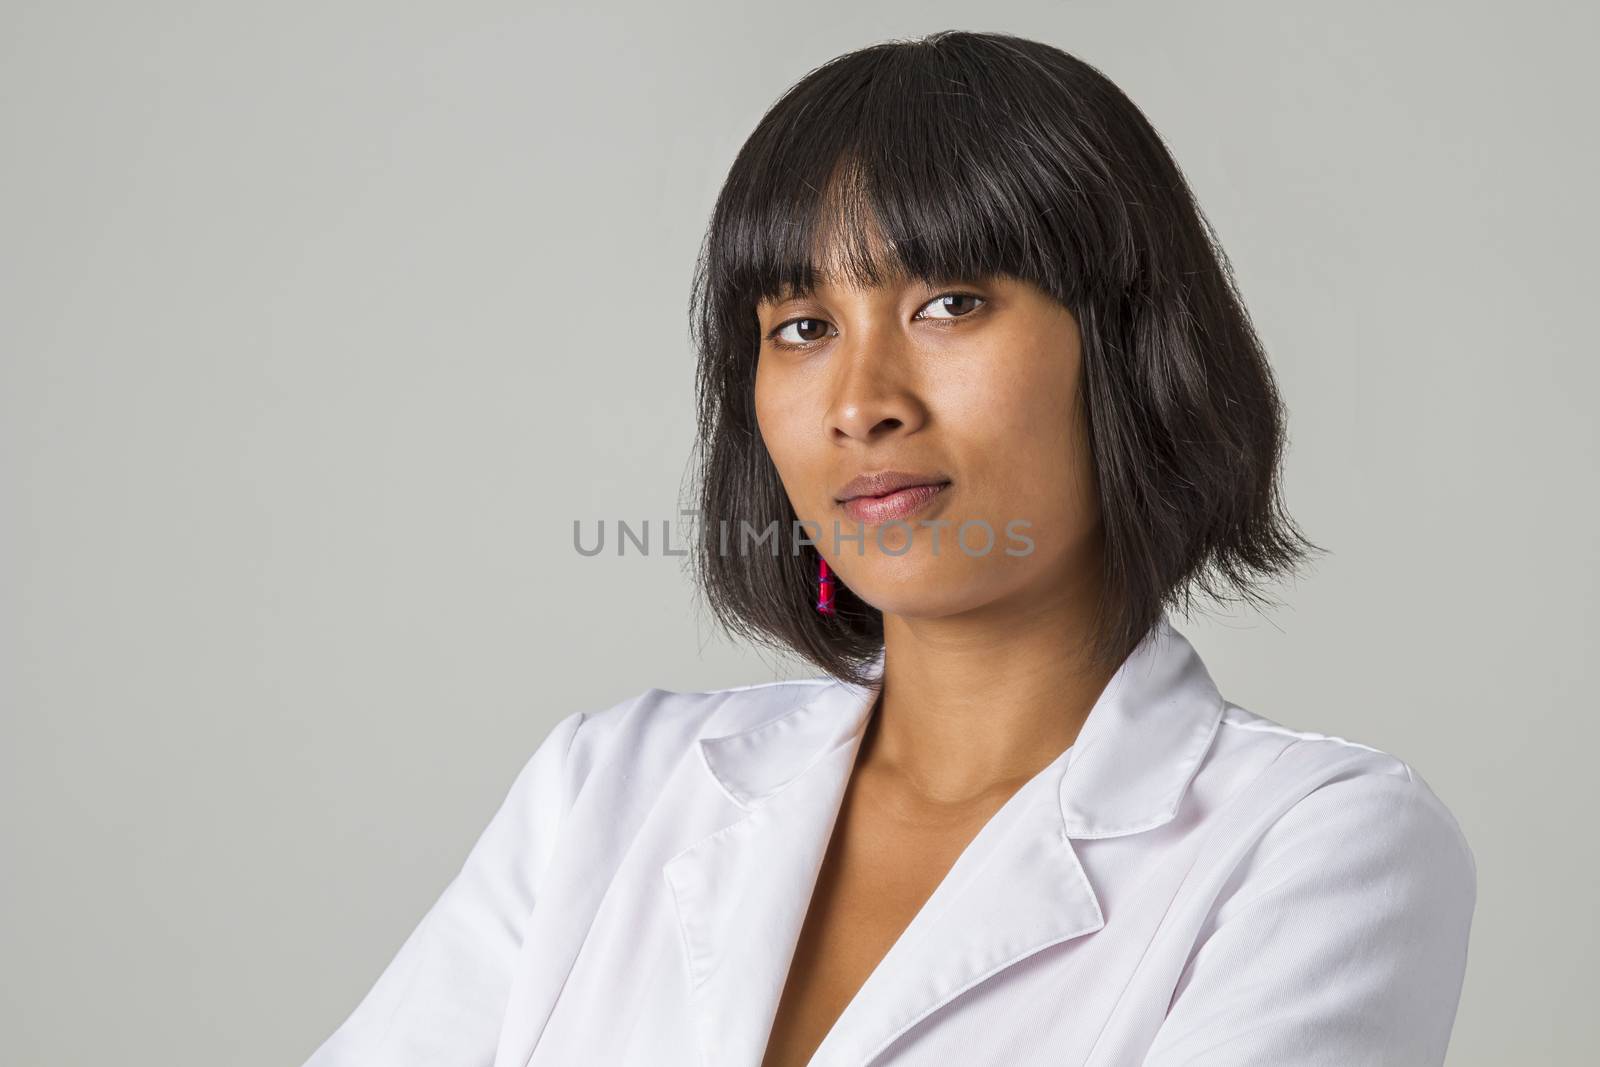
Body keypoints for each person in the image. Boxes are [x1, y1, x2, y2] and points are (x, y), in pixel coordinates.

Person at [302, 29, 1476, 1067]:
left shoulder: (1317, 839)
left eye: (950, 304)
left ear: (1124, 344)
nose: (861, 401)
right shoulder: (606, 786)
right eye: (802, 327)